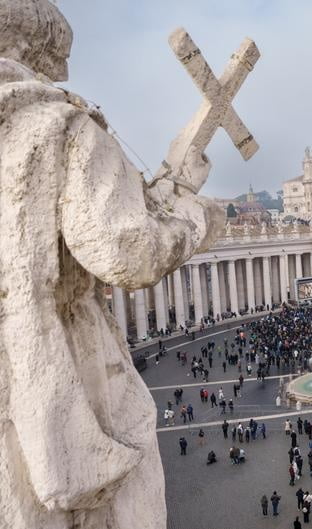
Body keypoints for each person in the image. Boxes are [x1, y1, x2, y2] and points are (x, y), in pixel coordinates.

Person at [0, 2, 225, 527]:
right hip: (60, 372)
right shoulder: (52, 126)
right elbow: (128, 252)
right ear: (43, 49)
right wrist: (190, 210)